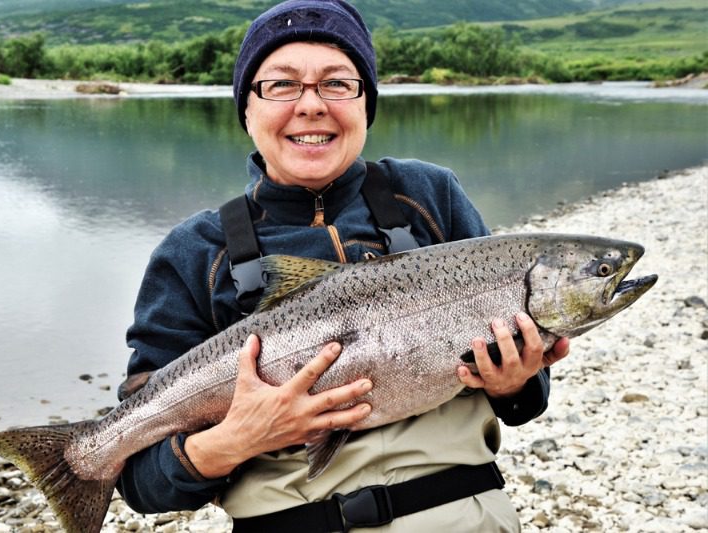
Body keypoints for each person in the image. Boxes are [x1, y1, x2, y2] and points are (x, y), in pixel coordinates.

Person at [116, 1, 569, 531]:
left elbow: (524, 405)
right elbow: (141, 483)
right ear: (246, 108)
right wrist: (233, 440)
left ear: (366, 103)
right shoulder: (193, 252)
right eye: (282, 85)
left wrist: (515, 382)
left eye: (337, 83)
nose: (311, 106)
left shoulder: (429, 194)